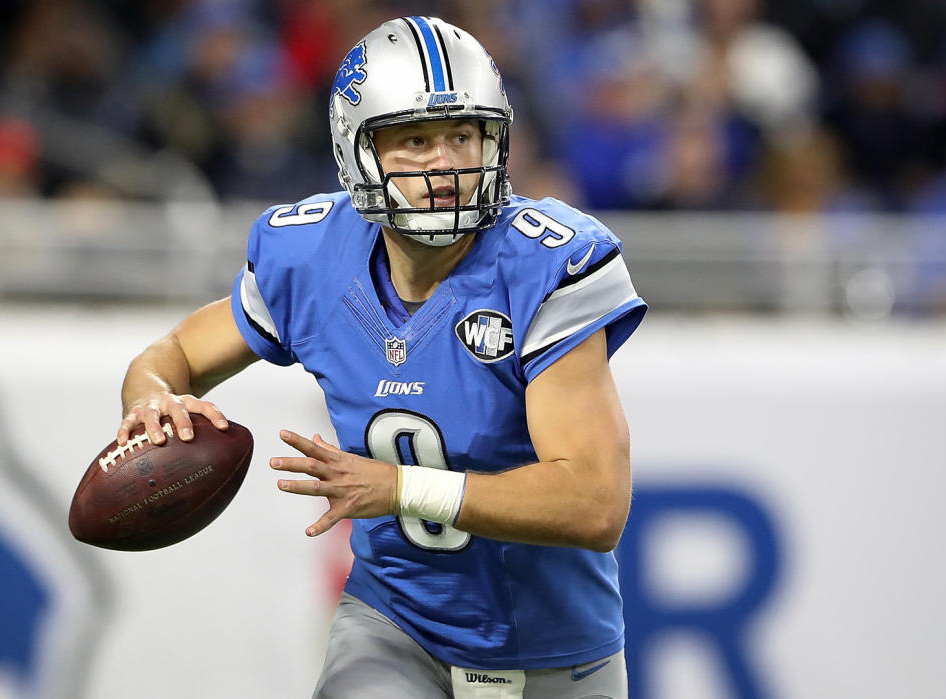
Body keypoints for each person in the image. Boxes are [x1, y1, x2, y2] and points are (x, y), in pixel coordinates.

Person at [116, 16, 647, 699]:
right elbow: (170, 356)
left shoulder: (546, 264)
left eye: (463, 135)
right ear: (356, 149)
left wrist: (398, 488)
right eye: (415, 139)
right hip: (395, 624)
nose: (444, 162)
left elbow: (594, 502)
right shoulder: (309, 256)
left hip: (557, 651)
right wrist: (150, 399)